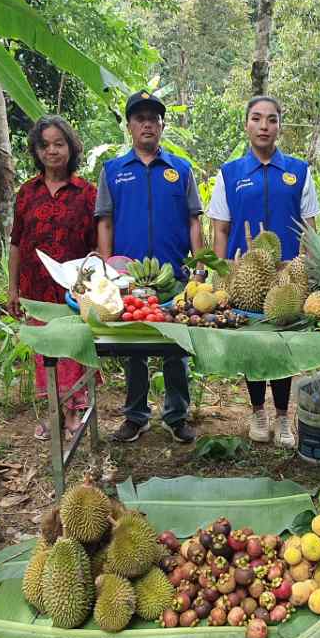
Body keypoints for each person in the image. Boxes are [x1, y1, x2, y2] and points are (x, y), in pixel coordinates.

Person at [208, 95, 320, 448]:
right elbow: (220, 229)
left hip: (287, 276)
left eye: (271, 120)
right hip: (245, 275)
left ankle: (284, 416)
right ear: (246, 124)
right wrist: (220, 274)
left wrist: (305, 268)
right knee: (253, 347)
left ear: (280, 127)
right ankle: (258, 411)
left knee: (283, 346)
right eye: (257, 119)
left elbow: (310, 227)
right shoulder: (231, 173)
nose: (264, 126)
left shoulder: (299, 171)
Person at [97, 91, 204, 444]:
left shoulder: (180, 170)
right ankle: (136, 416)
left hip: (173, 275)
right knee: (134, 350)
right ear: (129, 125)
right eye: (139, 117)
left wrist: (199, 267)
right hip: (129, 278)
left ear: (162, 125)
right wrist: (107, 269)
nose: (147, 123)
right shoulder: (113, 171)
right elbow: (106, 222)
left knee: (177, 348)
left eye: (153, 118)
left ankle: (176, 416)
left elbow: (193, 222)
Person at [8, 115, 97, 441]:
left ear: (70, 148)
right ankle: (52, 412)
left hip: (74, 289)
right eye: (45, 145)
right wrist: (12, 289)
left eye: (59, 144)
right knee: (45, 351)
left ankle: (73, 412)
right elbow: (16, 243)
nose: (52, 151)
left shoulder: (87, 193)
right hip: (36, 289)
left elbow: (97, 247)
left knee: (72, 350)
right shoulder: (27, 193)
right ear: (36, 150)